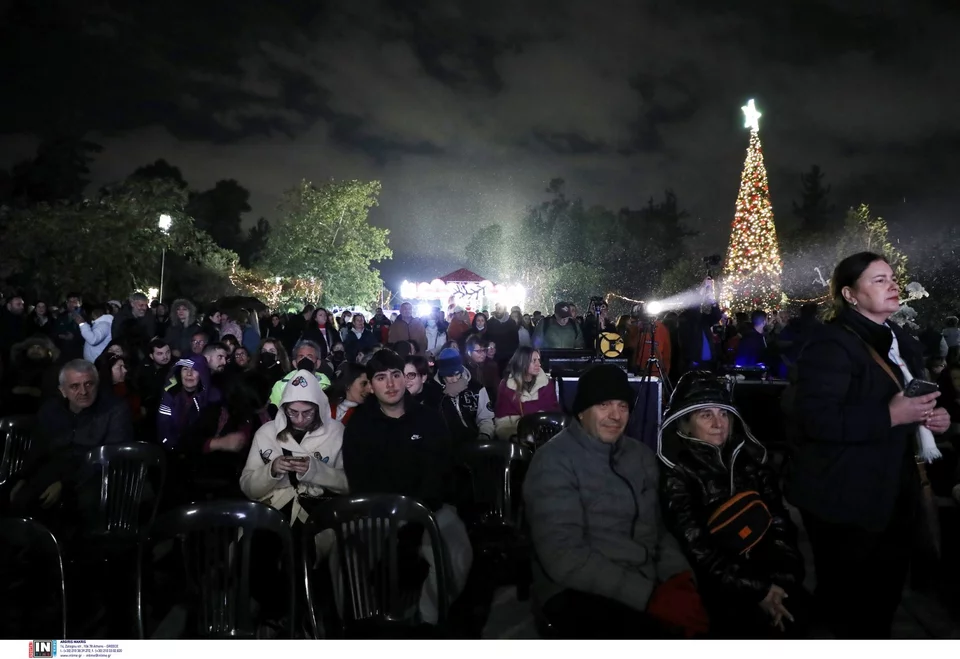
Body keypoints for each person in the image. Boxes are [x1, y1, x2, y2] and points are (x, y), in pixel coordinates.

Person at [785, 252, 950, 639]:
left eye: (892, 278)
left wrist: (931, 418)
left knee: (883, 601)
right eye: (878, 280)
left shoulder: (902, 343)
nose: (892, 285)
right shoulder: (831, 345)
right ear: (850, 294)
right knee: (844, 605)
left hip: (894, 492)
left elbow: (909, 402)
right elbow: (815, 420)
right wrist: (890, 415)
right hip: (844, 498)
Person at [523, 363, 707, 639]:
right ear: (582, 411)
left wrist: (678, 577)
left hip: (644, 576)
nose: (615, 416)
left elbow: (657, 529)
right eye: (604, 404)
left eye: (622, 406)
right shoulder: (553, 462)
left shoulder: (640, 456)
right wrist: (648, 596)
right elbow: (564, 556)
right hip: (579, 587)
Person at [657, 371, 807, 638]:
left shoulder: (750, 461)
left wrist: (783, 579)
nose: (718, 423)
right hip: (717, 585)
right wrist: (757, 590)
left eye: (723, 413)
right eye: (706, 415)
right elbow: (697, 547)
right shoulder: (678, 474)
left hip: (768, 574)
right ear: (685, 424)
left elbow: (780, 521)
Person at [342, 351, 473, 625]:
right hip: (375, 513)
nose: (390, 384)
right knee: (345, 554)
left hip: (428, 509)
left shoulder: (430, 419)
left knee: (457, 552)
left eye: (396, 375)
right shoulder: (358, 425)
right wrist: (392, 514)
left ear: (405, 378)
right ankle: (365, 625)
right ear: (371, 385)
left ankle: (427, 619)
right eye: (381, 377)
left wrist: (416, 515)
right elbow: (360, 479)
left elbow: (440, 472)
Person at [240, 370, 348, 525]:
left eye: (307, 413)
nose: (299, 419)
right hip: (272, 514)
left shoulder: (337, 432)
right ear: (284, 408)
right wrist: (271, 470)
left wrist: (316, 470)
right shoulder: (266, 433)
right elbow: (247, 487)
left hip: (319, 515)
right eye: (293, 412)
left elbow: (349, 484)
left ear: (318, 408)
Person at [493, 347, 560, 440]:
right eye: (534, 361)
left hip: (544, 434)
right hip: (515, 435)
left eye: (539, 360)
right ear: (522, 362)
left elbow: (553, 411)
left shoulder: (547, 384)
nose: (539, 364)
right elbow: (502, 420)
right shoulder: (505, 386)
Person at [433, 348, 494, 443]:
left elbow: (486, 418)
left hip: (476, 442)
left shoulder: (476, 388)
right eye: (449, 376)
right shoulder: (433, 390)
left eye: (457, 374)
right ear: (442, 374)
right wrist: (444, 397)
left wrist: (485, 435)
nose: (454, 379)